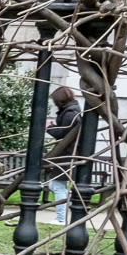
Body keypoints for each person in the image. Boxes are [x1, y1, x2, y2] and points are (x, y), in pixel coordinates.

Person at [45, 86, 82, 225]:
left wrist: (49, 127)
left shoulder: (69, 114)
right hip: (69, 153)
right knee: (57, 185)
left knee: (57, 185)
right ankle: (63, 215)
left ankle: (61, 218)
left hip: (68, 154)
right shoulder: (72, 111)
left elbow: (62, 134)